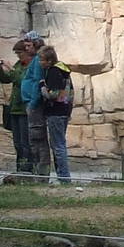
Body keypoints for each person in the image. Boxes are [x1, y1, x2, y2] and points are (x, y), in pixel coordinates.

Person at [0, 39, 36, 175]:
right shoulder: (19, 64)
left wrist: (11, 68)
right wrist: (0, 69)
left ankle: (28, 169)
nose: (18, 56)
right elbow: (7, 79)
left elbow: (22, 80)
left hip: (25, 109)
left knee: (26, 142)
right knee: (17, 142)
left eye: (20, 53)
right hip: (15, 107)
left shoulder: (31, 66)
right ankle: (20, 168)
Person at [38, 44, 75, 185]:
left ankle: (64, 178)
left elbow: (53, 94)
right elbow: (70, 94)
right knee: (59, 144)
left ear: (49, 60)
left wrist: (42, 87)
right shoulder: (64, 71)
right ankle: (63, 176)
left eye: (42, 60)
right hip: (64, 111)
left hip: (55, 112)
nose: (40, 63)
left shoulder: (53, 72)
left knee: (58, 145)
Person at [19, 31, 51, 182]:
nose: (26, 49)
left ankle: (42, 173)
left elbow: (38, 82)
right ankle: (39, 172)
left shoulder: (39, 59)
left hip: (35, 105)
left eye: (29, 45)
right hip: (30, 102)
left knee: (37, 138)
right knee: (34, 139)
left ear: (36, 44)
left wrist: (32, 103)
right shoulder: (35, 60)